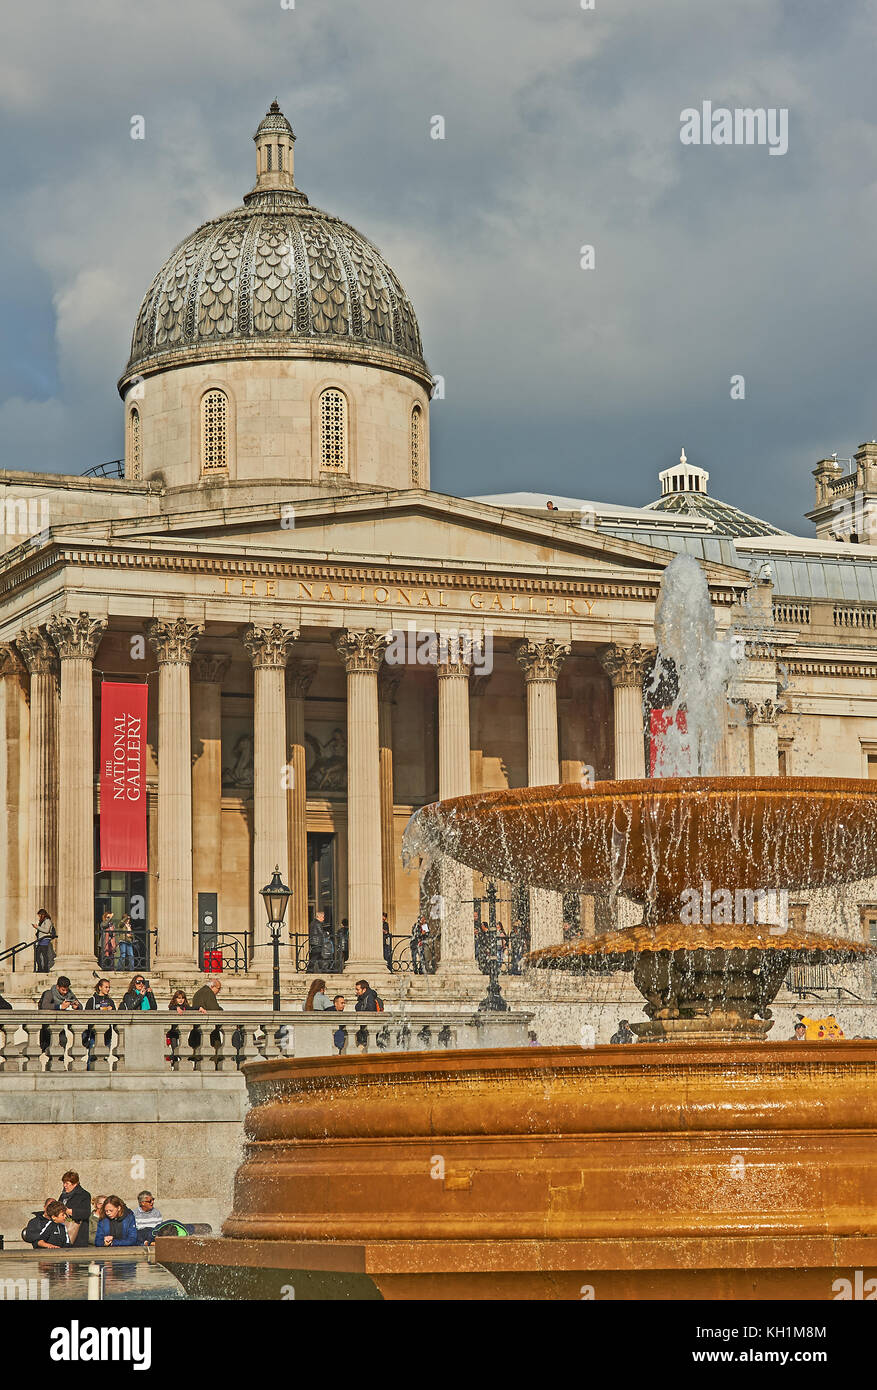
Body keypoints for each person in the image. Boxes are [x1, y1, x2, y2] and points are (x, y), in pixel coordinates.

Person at [58, 1170, 91, 1247]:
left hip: (78, 1233)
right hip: (63, 1230)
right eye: (63, 1183)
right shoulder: (63, 1195)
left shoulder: (84, 1195)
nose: (64, 1185)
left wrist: (69, 1211)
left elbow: (86, 1213)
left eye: (67, 1183)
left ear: (75, 1184)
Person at [32, 908, 57, 973]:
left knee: (44, 955)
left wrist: (37, 927)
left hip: (45, 940)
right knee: (37, 955)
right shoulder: (42, 921)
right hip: (41, 940)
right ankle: (40, 968)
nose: (39, 917)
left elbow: (46, 930)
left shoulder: (47, 921)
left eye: (39, 915)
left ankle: (45, 969)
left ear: (42, 915)